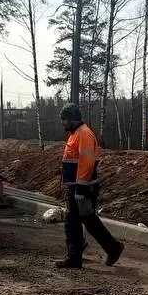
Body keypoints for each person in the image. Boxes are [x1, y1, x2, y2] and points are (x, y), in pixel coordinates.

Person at [56, 104, 124, 269]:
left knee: (72, 221)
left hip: (82, 188)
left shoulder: (83, 134)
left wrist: (80, 187)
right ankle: (112, 248)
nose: (63, 123)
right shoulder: (76, 134)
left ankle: (75, 257)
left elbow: (86, 163)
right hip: (79, 187)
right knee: (88, 220)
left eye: (65, 120)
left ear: (72, 119)